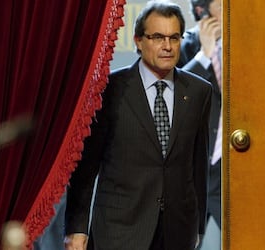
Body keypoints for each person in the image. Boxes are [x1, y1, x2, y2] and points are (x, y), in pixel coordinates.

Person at [64, 1, 212, 249]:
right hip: (119, 229)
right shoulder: (108, 90)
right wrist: (76, 228)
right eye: (157, 37)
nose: (167, 46)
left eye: (174, 38)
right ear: (138, 40)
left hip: (177, 231)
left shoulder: (199, 91)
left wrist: (197, 228)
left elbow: (198, 166)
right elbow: (86, 168)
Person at [176, 0, 222, 249]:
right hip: (195, 169)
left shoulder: (249, 38)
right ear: (203, 12)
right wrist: (204, 55)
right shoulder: (186, 44)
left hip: (232, 167)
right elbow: (176, 97)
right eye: (224, 7)